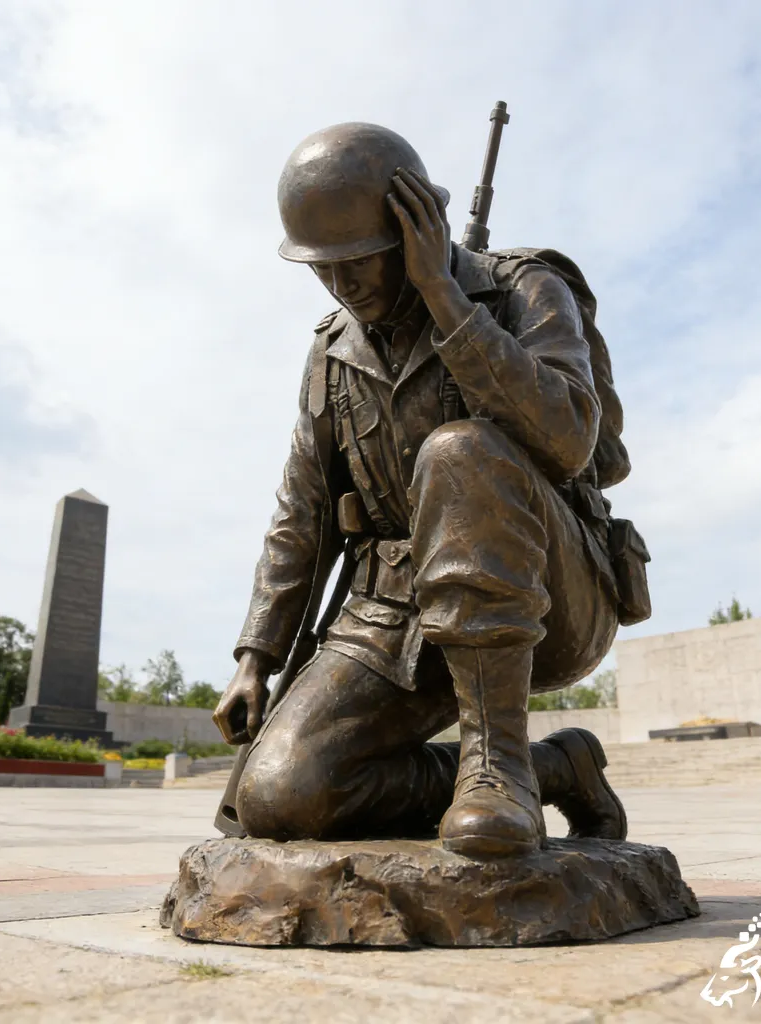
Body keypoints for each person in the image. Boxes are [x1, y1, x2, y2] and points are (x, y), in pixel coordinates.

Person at [214, 122, 642, 858]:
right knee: (282, 795)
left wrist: (447, 302)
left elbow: (570, 436)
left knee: (461, 452)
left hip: (546, 588)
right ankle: (552, 768)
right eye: (323, 269)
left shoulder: (524, 289)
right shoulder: (332, 354)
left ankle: (498, 774)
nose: (343, 284)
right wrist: (257, 655)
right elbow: (301, 512)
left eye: (360, 260)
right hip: (394, 612)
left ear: (417, 226)